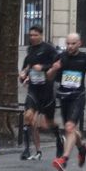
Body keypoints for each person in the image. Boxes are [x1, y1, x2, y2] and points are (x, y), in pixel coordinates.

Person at [48, 33, 86, 171]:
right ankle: (82, 148)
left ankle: (64, 159)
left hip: (78, 97)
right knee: (71, 130)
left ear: (79, 43)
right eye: (68, 43)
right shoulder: (60, 57)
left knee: (69, 127)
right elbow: (49, 76)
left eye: (73, 44)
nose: (70, 46)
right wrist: (54, 68)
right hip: (64, 97)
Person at [19, 25, 61, 160]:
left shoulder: (49, 49)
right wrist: (23, 75)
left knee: (46, 123)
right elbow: (27, 67)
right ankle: (29, 150)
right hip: (33, 89)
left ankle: (59, 136)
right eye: (30, 35)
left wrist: (43, 67)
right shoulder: (30, 50)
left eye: (35, 35)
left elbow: (58, 65)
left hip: (47, 90)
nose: (32, 38)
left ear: (41, 35)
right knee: (28, 117)